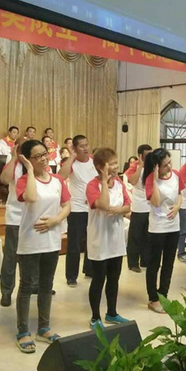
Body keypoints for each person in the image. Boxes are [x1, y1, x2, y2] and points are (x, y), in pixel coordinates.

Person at [15, 140, 70, 352]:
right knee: (27, 285)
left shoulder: (57, 180)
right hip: (30, 240)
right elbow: (30, 197)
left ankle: (44, 328)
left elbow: (67, 205)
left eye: (44, 154)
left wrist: (56, 221)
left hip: (52, 240)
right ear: (28, 160)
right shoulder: (24, 180)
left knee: (47, 285)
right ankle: (22, 331)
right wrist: (29, 170)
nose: (44, 158)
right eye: (37, 156)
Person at [85, 148, 131, 330]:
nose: (116, 166)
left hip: (116, 239)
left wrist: (117, 210)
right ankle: (95, 317)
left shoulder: (119, 183)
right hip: (99, 239)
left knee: (114, 278)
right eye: (111, 164)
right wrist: (104, 181)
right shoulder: (92, 185)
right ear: (100, 167)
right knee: (98, 279)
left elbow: (127, 206)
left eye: (116, 162)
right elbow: (103, 205)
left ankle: (112, 313)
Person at [144, 148, 184, 313]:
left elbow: (180, 194)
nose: (169, 166)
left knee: (169, 262)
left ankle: (163, 295)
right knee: (154, 264)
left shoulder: (175, 175)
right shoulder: (149, 180)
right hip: (158, 227)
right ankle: (153, 298)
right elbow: (156, 202)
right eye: (165, 164)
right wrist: (154, 180)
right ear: (156, 167)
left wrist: (178, 206)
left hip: (174, 225)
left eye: (170, 162)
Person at [59, 135, 97, 286]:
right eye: (81, 146)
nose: (86, 148)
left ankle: (89, 269)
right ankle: (71, 276)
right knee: (74, 244)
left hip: (93, 208)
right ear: (74, 148)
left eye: (87, 145)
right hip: (77, 209)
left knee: (92, 241)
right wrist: (71, 157)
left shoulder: (94, 161)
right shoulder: (71, 163)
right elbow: (61, 176)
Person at [0, 140, 24, 307]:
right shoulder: (14, 164)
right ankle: (6, 292)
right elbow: (4, 179)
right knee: (10, 257)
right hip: (16, 216)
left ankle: (33, 285)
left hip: (35, 218)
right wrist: (14, 157)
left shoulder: (37, 165)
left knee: (33, 257)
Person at [124, 145, 152, 272]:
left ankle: (146, 260)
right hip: (139, 206)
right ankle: (133, 263)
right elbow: (133, 181)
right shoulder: (134, 166)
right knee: (135, 236)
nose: (149, 157)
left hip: (151, 206)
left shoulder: (153, 164)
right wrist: (140, 166)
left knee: (148, 235)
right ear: (140, 155)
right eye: (146, 154)